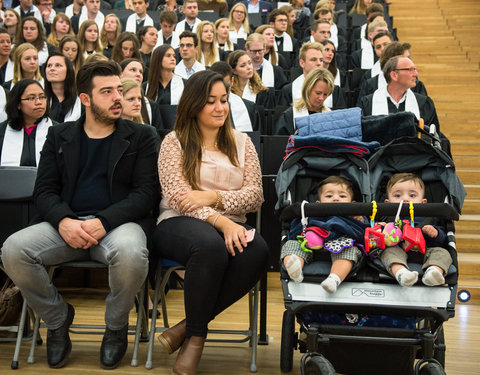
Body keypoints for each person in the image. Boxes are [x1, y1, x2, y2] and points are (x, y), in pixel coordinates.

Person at [0, 60, 159, 370]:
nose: (117, 97)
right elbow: (44, 191)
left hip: (118, 225)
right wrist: (64, 221)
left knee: (131, 253)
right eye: (107, 91)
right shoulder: (60, 136)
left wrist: (104, 221)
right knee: (13, 250)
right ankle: (58, 319)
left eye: (118, 90)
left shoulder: (142, 135)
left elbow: (146, 194)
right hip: (66, 225)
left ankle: (115, 327)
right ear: (85, 99)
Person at [152, 70, 268, 375]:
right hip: (179, 222)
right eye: (210, 102)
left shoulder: (242, 142)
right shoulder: (173, 142)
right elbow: (180, 198)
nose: (220, 108)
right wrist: (223, 222)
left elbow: (256, 195)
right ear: (193, 105)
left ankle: (185, 328)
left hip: (229, 223)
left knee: (257, 251)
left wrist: (212, 197)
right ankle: (196, 341)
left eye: (224, 100)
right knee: (209, 246)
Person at [282, 176, 366, 292]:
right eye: (329, 196)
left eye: (342, 196)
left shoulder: (354, 216)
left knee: (350, 251)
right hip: (310, 244)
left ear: (353, 203)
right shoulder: (313, 213)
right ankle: (295, 269)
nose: (336, 199)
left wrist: (360, 220)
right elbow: (296, 231)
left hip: (341, 244)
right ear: (318, 203)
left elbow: (362, 234)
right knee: (292, 245)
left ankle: (334, 279)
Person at [380, 173, 452, 287]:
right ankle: (401, 273)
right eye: (397, 196)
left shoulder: (429, 217)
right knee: (388, 252)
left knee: (443, 253)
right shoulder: (387, 217)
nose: (405, 199)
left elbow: (442, 239)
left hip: (425, 250)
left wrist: (435, 233)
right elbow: (378, 238)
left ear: (423, 203)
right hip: (399, 250)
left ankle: (434, 272)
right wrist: (381, 228)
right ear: (387, 203)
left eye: (412, 196)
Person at [359, 56, 440, 131]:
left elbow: (432, 138)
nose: (416, 74)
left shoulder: (423, 103)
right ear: (394, 75)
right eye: (410, 70)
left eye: (415, 69)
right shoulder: (368, 103)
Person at [0, 78, 53, 166]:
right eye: (31, 98)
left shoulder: (58, 131)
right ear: (18, 104)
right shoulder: (2, 131)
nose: (39, 102)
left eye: (42, 97)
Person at [279, 41, 346, 110]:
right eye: (313, 60)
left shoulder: (335, 91)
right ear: (302, 63)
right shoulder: (288, 90)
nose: (319, 63)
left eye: (321, 60)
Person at [274, 67, 333, 135]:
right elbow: (280, 142)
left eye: (325, 94)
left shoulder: (330, 116)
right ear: (307, 89)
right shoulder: (290, 116)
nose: (321, 98)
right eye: (318, 93)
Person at [210, 61, 261, 132]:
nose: (222, 88)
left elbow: (255, 139)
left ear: (232, 81)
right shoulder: (202, 107)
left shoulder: (249, 108)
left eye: (225, 85)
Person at [120, 58, 164, 135]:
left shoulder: (151, 105)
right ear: (120, 74)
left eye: (141, 72)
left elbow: (158, 134)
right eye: (133, 70)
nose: (138, 74)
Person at [44, 53, 82, 123]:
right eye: (49, 65)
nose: (52, 68)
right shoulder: (41, 99)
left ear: (68, 70)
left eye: (58, 65)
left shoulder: (81, 99)